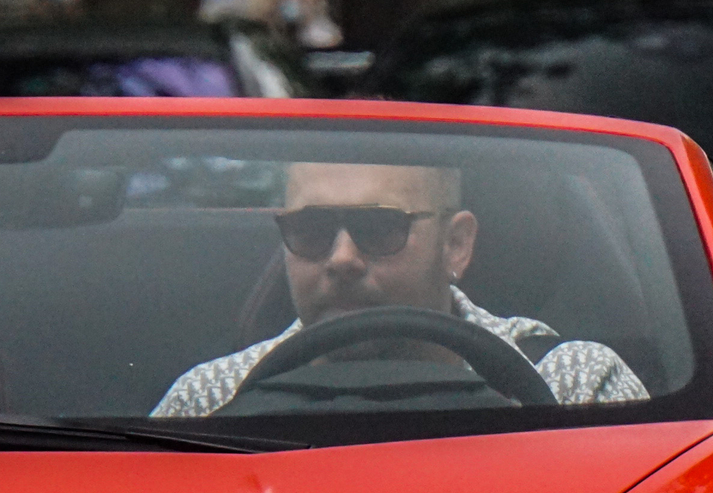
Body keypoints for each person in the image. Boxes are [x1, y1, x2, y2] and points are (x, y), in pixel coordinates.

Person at [151, 161, 646, 416]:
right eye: (311, 230)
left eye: (380, 229)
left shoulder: (576, 386)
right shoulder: (209, 399)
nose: (342, 258)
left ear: (455, 245)